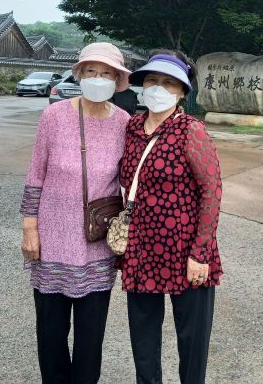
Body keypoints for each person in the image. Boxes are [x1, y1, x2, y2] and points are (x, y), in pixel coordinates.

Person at [20, 42, 132, 384]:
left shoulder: (124, 123)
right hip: (53, 240)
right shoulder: (54, 116)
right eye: (91, 71)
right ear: (80, 74)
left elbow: (131, 180)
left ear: (117, 80)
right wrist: (29, 228)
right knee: (50, 332)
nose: (98, 78)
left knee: (90, 336)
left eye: (107, 74)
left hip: (97, 244)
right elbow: (36, 174)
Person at [119, 51, 223, 384]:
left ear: (181, 92)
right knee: (143, 339)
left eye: (168, 83)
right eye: (152, 81)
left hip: (187, 249)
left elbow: (211, 192)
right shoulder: (132, 128)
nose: (158, 88)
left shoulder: (191, 131)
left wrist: (201, 254)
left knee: (192, 341)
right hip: (142, 248)